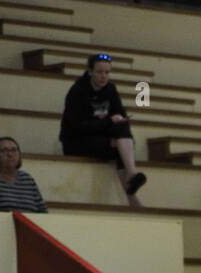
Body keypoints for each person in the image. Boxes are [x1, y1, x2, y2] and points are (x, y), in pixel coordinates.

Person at [59, 54, 146, 208]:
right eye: (99, 72)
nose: (103, 76)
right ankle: (131, 193)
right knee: (119, 145)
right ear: (90, 71)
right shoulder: (77, 91)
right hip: (76, 141)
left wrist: (117, 125)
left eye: (107, 72)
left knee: (122, 131)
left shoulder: (111, 89)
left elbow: (120, 114)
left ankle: (132, 175)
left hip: (102, 137)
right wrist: (108, 124)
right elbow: (78, 127)